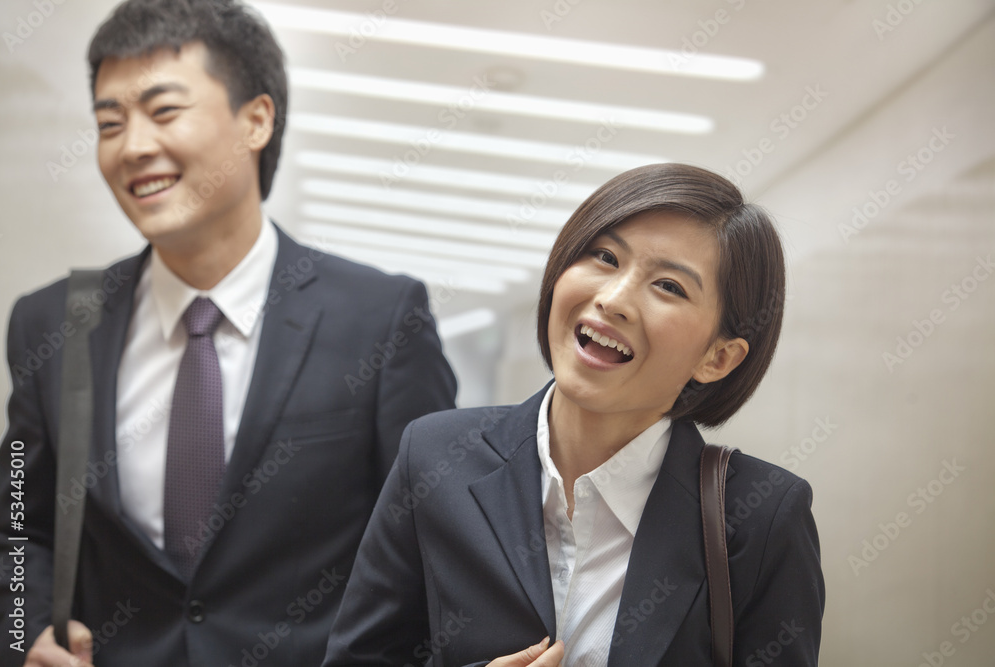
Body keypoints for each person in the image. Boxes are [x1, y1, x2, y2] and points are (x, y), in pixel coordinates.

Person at [0, 1, 457, 665]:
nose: (132, 146)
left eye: (164, 110)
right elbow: (17, 521)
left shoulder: (380, 320)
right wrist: (23, 636)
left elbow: (429, 548)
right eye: (109, 122)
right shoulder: (58, 322)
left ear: (256, 121)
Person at [322, 163, 825, 667]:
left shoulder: (761, 517)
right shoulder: (434, 457)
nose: (613, 299)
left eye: (669, 286)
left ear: (717, 358)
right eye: (605, 257)